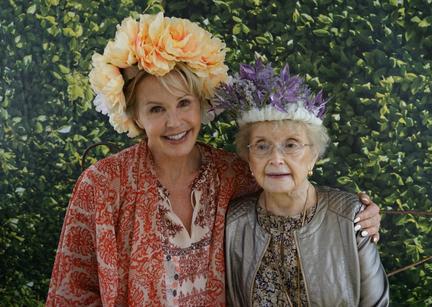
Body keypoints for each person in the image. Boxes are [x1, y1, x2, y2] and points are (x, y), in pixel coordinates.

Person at [46, 13, 382, 306]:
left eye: (183, 104)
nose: (174, 122)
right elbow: (70, 292)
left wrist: (360, 217)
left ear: (201, 104)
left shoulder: (234, 173)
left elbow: (294, 202)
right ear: (135, 117)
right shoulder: (103, 184)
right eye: (156, 109)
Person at [219, 61, 389, 306]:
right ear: (249, 158)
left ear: (314, 156)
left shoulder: (350, 215)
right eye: (262, 146)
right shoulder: (235, 222)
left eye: (291, 145)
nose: (276, 158)